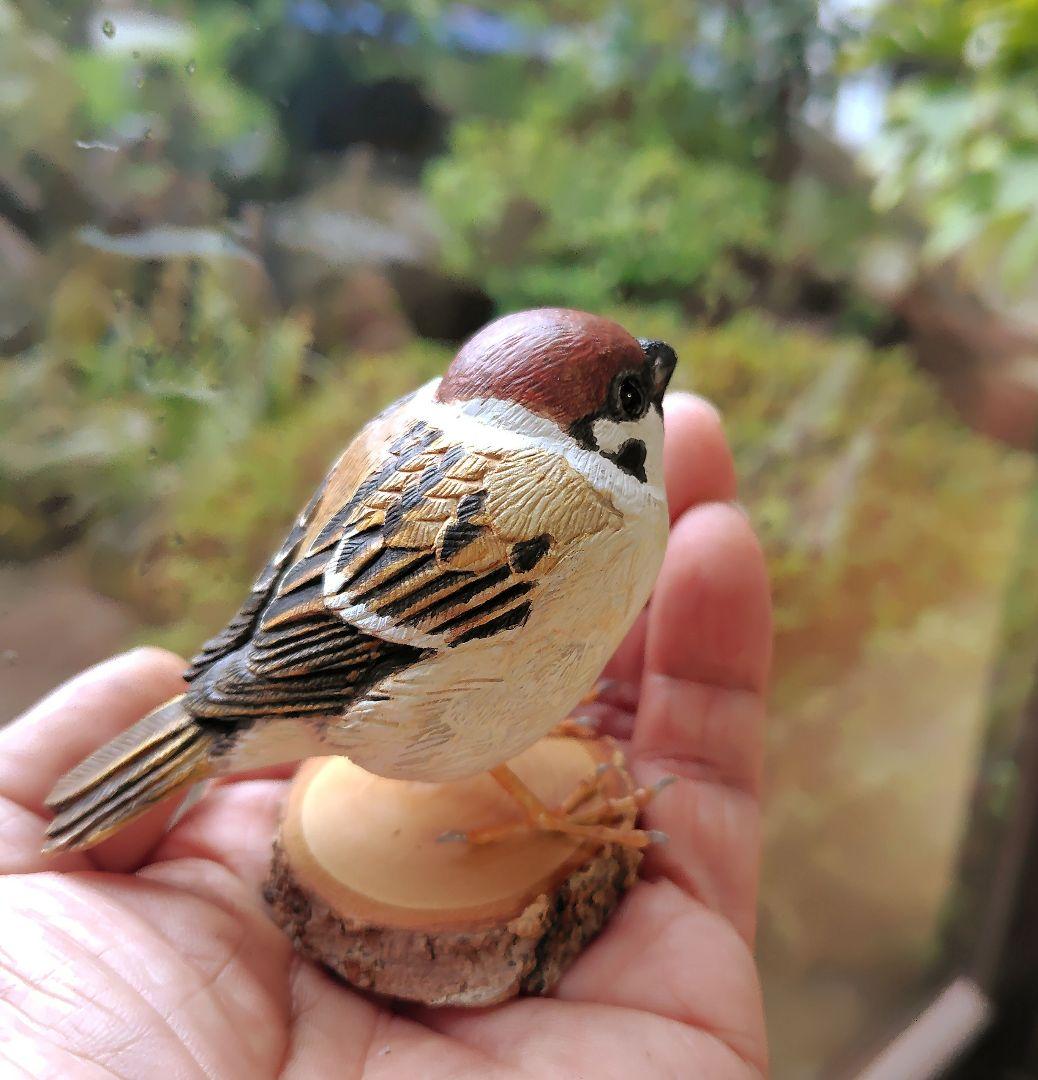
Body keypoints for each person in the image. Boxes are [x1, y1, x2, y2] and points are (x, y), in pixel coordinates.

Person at [0, 394, 771, 1078]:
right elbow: (391, 629)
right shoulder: (574, 512)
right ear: (594, 430)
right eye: (632, 395)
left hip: (305, 631)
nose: (654, 392)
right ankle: (542, 818)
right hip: (359, 685)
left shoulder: (406, 423)